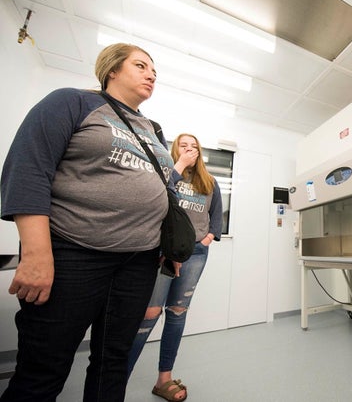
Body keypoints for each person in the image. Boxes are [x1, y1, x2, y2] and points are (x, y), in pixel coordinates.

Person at [1, 43, 172, 401]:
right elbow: (29, 168)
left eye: (154, 70)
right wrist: (36, 254)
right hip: (73, 252)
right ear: (112, 70)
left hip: (138, 261)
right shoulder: (72, 102)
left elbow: (161, 190)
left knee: (114, 360)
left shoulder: (153, 130)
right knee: (44, 367)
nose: (151, 74)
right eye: (140, 65)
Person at [125, 133, 223, 402]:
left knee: (178, 312)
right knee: (150, 312)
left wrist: (204, 241)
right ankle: (115, 382)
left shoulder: (210, 182)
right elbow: (155, 196)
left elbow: (216, 221)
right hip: (163, 252)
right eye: (184, 145)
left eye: (194, 146)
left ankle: (164, 379)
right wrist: (177, 167)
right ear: (175, 150)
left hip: (195, 253)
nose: (190, 149)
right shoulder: (167, 172)